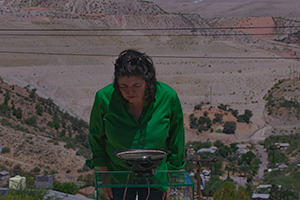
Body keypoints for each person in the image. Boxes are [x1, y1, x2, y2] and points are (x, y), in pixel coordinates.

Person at [86, 49, 185, 200]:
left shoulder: (168, 96)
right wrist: (104, 174)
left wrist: (171, 175)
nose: (130, 92)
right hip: (117, 175)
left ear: (148, 81)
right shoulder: (104, 99)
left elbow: (176, 138)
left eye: (137, 85)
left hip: (157, 176)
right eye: (123, 86)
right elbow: (96, 137)